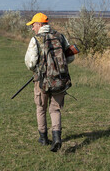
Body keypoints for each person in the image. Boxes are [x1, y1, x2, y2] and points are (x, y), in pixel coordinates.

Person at [24, 12, 74, 152]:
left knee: (41, 108)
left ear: (39, 24)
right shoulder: (61, 37)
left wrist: (37, 70)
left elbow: (30, 63)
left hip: (41, 82)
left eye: (33, 25)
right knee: (55, 109)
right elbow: (70, 59)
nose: (33, 28)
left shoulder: (36, 40)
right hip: (60, 81)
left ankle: (43, 138)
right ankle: (57, 137)